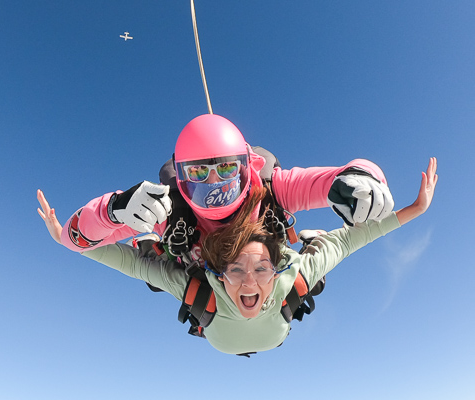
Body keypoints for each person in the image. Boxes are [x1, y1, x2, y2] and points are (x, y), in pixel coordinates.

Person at [38, 158, 438, 355]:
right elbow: (125, 261)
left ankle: (301, 237)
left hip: (223, 316)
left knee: (158, 267)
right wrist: (71, 240)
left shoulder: (212, 286)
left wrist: (413, 209)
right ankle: (171, 245)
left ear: (276, 265)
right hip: (250, 310)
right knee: (157, 264)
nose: (249, 281)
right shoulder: (230, 281)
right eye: (238, 270)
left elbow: (352, 238)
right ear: (221, 273)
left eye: (261, 267)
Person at [58, 114, 395, 267]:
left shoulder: (271, 190)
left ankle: (310, 247)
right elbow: (75, 238)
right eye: (199, 173)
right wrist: (115, 208)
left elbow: (334, 178)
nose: (215, 184)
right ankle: (153, 249)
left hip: (260, 275)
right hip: (208, 273)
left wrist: (362, 182)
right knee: (175, 274)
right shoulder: (169, 209)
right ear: (182, 176)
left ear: (247, 167)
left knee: (299, 281)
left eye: (226, 169)